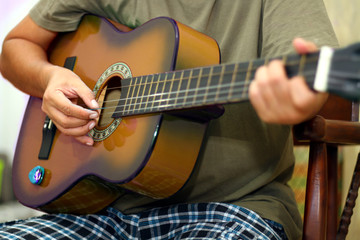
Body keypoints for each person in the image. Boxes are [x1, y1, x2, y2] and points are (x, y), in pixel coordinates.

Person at [0, 0, 338, 239]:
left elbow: (308, 80)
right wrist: (48, 79)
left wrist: (298, 98)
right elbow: (16, 45)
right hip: (103, 213)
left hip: (235, 209)